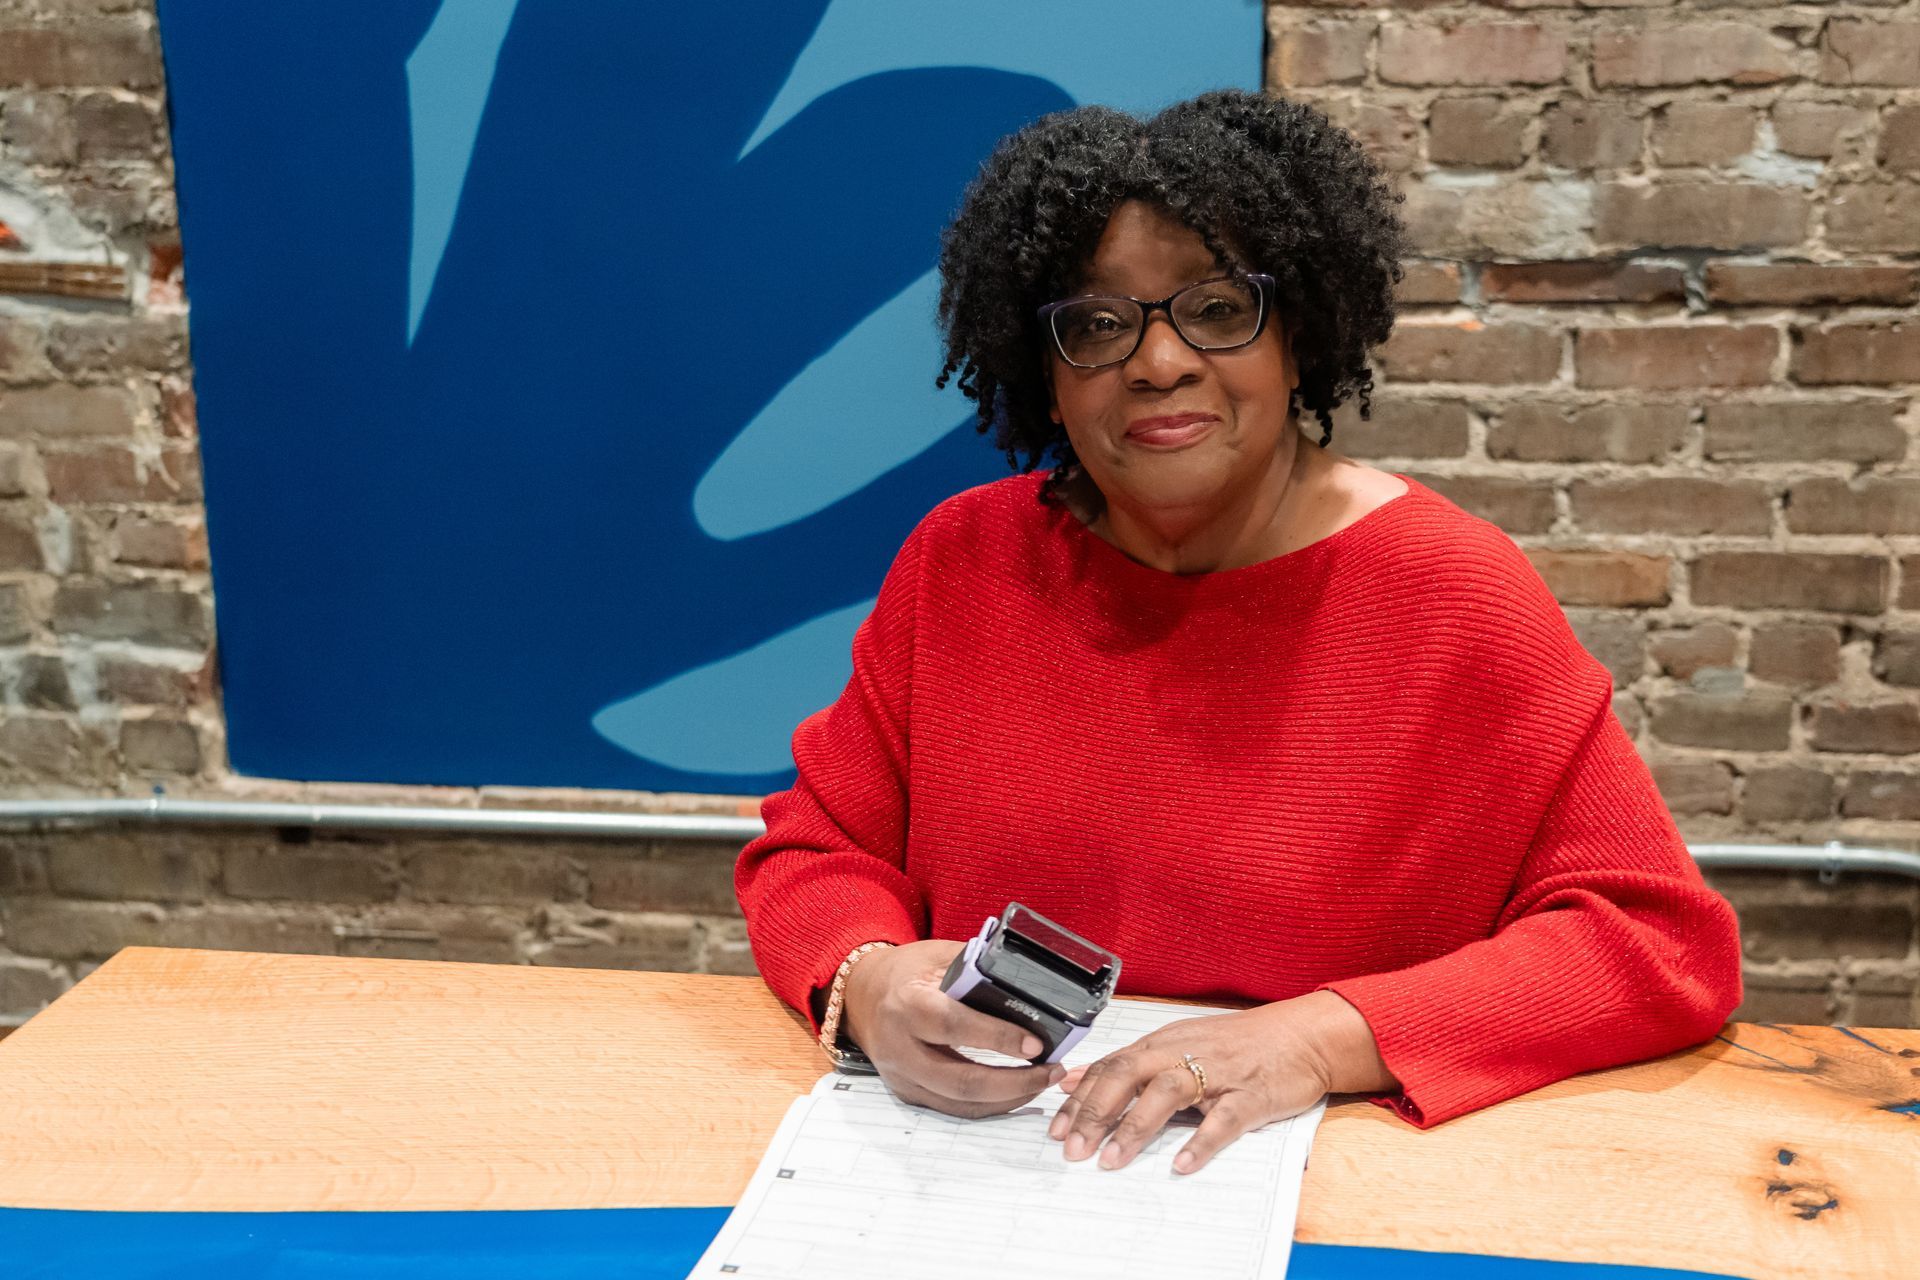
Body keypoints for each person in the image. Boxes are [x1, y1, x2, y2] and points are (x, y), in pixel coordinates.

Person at [734, 89, 1743, 1176]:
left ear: (1298, 334)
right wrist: (867, 978)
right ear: (1048, 374)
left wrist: (1315, 1038)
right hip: (976, 1172)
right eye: (1098, 323)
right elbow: (816, 846)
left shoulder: (1452, 590)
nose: (1159, 361)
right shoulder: (964, 561)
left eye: (1216, 309)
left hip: (1330, 1181)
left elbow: (1654, 940)